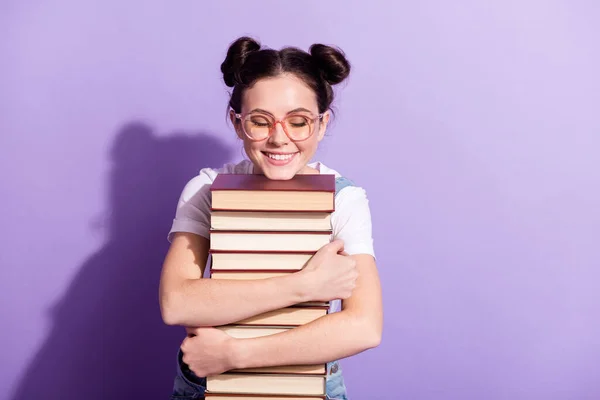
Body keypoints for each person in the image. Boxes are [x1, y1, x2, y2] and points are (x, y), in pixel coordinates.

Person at [159, 36, 383, 400]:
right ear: (236, 122)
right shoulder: (205, 189)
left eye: (299, 122)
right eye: (260, 122)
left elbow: (364, 327)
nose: (280, 139)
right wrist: (305, 285)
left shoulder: (344, 199)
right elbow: (176, 303)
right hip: (208, 385)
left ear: (322, 124)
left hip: (307, 383)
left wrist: (236, 354)